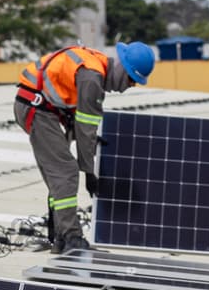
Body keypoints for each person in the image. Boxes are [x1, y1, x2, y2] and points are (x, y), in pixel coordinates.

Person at [15, 41, 158, 254]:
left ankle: (62, 238)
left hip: (43, 108)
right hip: (37, 109)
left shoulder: (94, 68)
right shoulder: (92, 78)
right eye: (130, 79)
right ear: (121, 69)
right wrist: (90, 173)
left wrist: (88, 149)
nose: (131, 85)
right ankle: (72, 238)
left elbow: (81, 125)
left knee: (60, 175)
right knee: (65, 172)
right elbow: (85, 130)